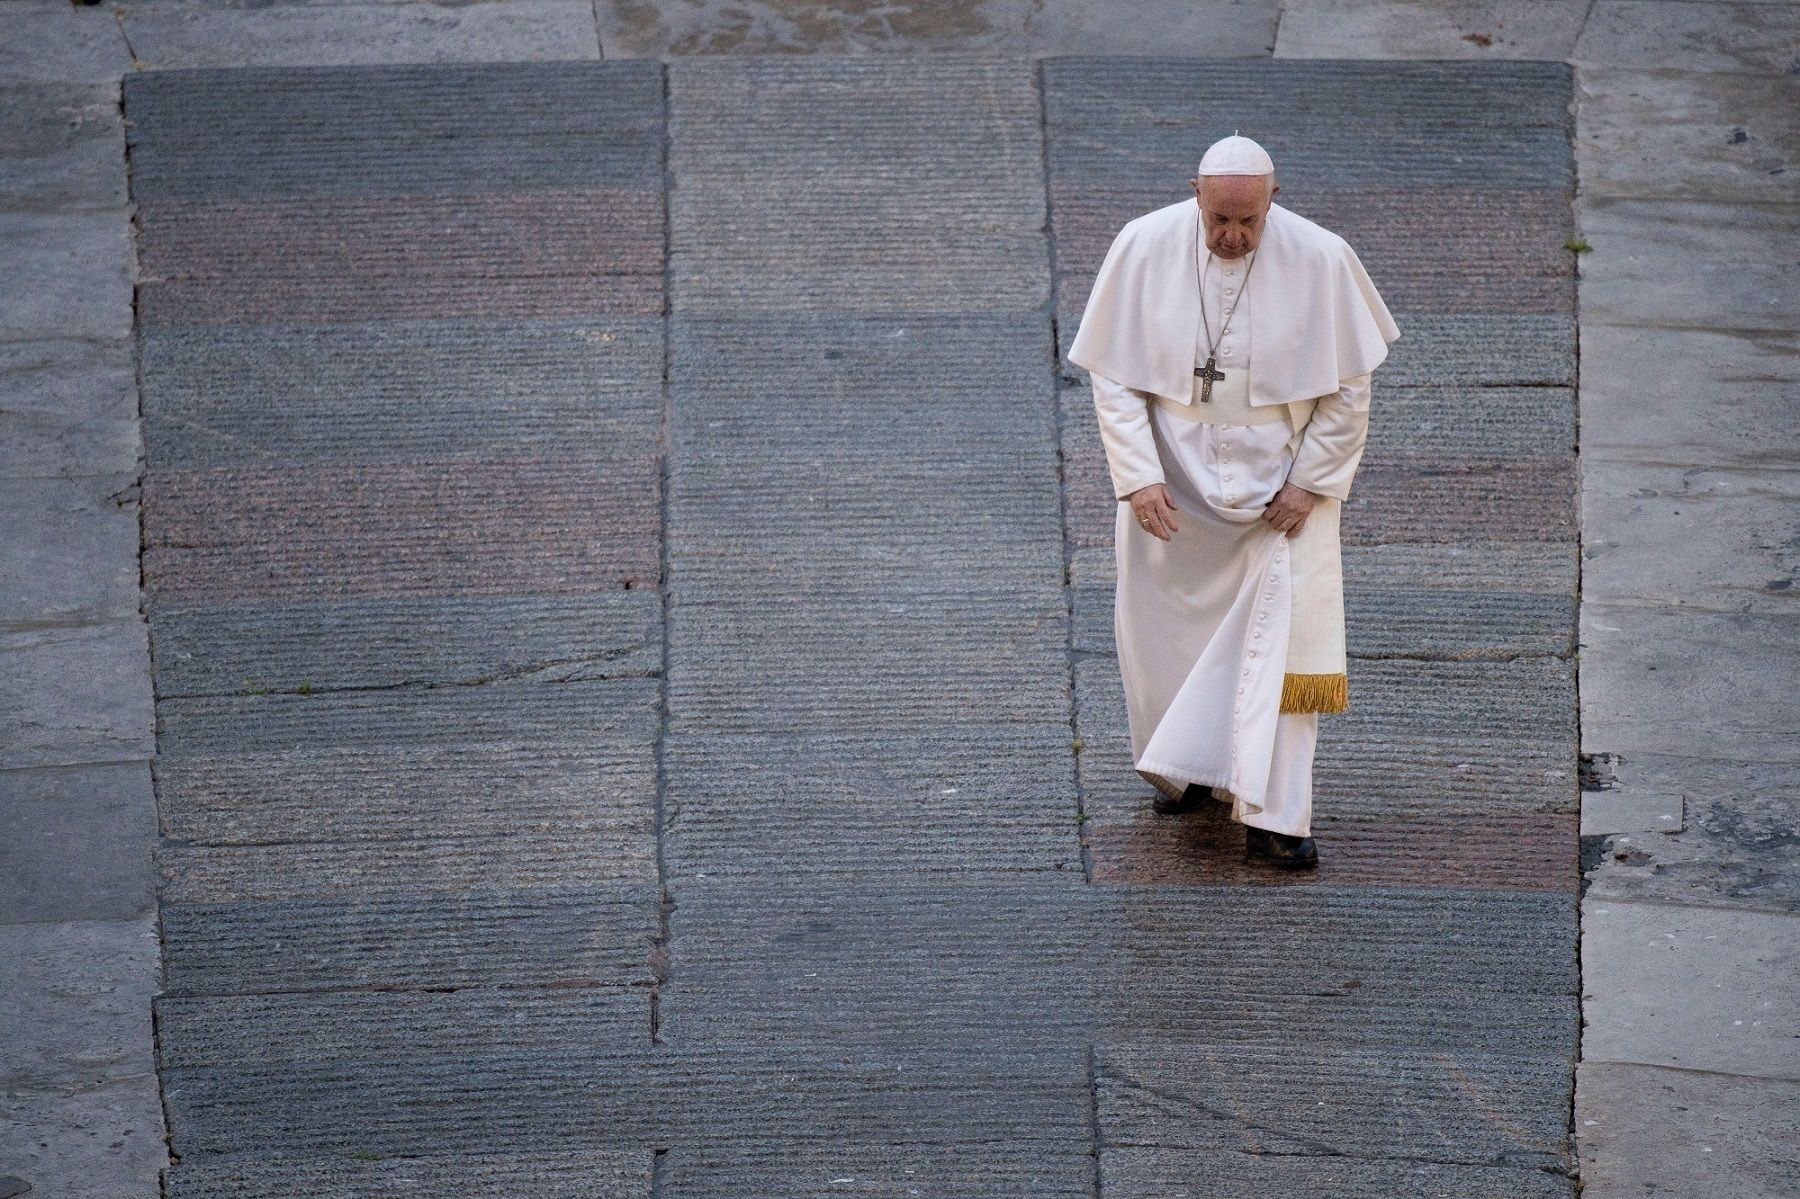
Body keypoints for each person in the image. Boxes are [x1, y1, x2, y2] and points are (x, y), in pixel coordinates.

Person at [1067, 134, 1400, 868]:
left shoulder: (1321, 258)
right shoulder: (1143, 245)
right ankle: (1185, 767)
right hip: (1174, 486)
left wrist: (1311, 480)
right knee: (1165, 640)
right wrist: (1138, 473)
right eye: (1219, 219)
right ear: (1196, 193)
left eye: (1248, 222)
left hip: (1280, 493)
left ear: (1272, 200)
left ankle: (1277, 814)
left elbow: (1349, 388)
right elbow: (1115, 376)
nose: (1232, 236)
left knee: (1283, 654)